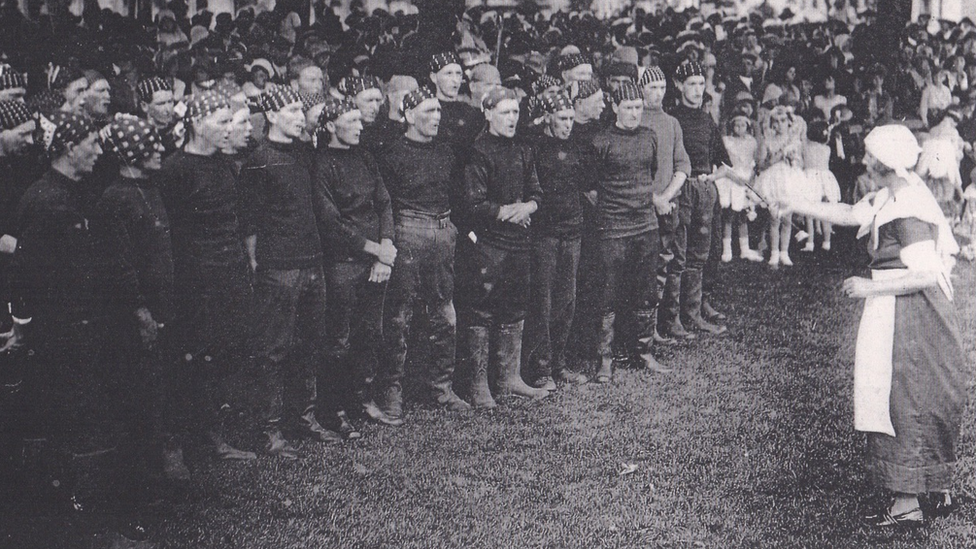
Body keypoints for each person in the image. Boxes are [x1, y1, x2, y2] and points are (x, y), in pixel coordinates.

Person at [788, 124, 967, 528]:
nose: (863, 160)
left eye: (869, 155)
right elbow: (853, 214)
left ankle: (908, 502)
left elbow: (923, 273)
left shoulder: (907, 208)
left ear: (883, 162)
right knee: (907, 396)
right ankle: (930, 490)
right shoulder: (894, 191)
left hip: (911, 314)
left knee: (902, 398)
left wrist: (870, 285)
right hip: (898, 307)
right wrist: (795, 205)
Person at [156, 91, 258, 462]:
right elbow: (170, 232)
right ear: (198, 124)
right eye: (221, 122)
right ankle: (175, 443)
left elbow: (237, 219)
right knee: (188, 358)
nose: (229, 129)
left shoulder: (225, 165)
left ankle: (211, 434)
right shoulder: (174, 170)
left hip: (228, 272)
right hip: (195, 280)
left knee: (220, 354)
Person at [240, 86, 340, 461]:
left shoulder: (303, 152)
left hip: (312, 261)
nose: (301, 116)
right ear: (271, 116)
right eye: (293, 110)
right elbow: (249, 221)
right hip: (279, 267)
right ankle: (268, 430)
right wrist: (256, 264)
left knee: (309, 343)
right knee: (274, 349)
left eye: (302, 110)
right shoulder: (259, 160)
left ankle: (304, 417)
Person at [95, 116, 183, 528]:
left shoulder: (150, 189)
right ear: (132, 155)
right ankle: (140, 491)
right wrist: (142, 313)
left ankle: (156, 482)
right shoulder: (116, 199)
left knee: (158, 398)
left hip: (161, 313)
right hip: (134, 322)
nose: (161, 153)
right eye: (153, 148)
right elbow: (121, 267)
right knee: (138, 405)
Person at [377, 87, 471, 412]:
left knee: (445, 312)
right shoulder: (391, 153)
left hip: (443, 231)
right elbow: (384, 203)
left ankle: (442, 388)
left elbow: (457, 193)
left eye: (438, 111)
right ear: (408, 115)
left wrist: (454, 229)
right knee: (399, 315)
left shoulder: (446, 152)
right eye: (428, 112)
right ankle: (392, 391)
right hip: (408, 232)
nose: (436, 117)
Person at [456, 87, 548, 408]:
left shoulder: (523, 149)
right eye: (505, 112)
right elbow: (473, 203)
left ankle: (509, 379)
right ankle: (478, 385)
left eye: (515, 112)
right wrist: (512, 212)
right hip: (487, 246)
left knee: (514, 307)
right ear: (488, 113)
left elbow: (537, 192)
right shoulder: (477, 152)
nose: (512, 119)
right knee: (481, 310)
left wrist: (529, 208)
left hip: (518, 245)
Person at [312, 97, 396, 433]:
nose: (361, 126)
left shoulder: (365, 157)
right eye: (352, 121)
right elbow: (331, 222)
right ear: (331, 126)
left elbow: (385, 203)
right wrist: (374, 249)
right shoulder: (321, 165)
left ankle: (362, 399)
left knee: (370, 333)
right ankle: (334, 411)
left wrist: (386, 245)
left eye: (361, 121)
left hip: (375, 261)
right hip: (343, 264)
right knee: (339, 339)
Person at [590, 81, 670, 383]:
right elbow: (592, 187)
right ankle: (606, 359)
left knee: (646, 291)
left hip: (646, 226)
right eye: (628, 108)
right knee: (608, 295)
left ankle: (644, 352)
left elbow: (648, 177)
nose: (634, 113)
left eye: (638, 107)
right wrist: (614, 212)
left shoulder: (649, 137)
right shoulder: (601, 142)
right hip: (613, 228)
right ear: (615, 108)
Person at [521, 89, 590, 390]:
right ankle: (540, 369)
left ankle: (559, 364)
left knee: (567, 301)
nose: (567, 124)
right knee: (542, 302)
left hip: (572, 231)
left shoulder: (576, 147)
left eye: (571, 118)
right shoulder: (534, 147)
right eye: (562, 118)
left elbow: (586, 185)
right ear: (547, 118)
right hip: (544, 235)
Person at [663, 62, 730, 338]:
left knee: (699, 255)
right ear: (678, 85)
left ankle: (693, 315)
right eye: (691, 83)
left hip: (703, 191)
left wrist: (712, 180)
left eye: (701, 84)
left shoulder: (707, 119)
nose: (697, 89)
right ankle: (671, 319)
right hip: (680, 190)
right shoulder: (672, 119)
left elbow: (724, 162)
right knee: (677, 255)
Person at [754, 105, 812, 268]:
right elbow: (764, 163)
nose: (779, 124)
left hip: (789, 180)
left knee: (787, 218)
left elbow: (800, 161)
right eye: (776, 122)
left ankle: (784, 252)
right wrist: (777, 156)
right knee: (774, 218)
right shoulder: (769, 140)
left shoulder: (795, 141)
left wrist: (794, 159)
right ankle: (774, 253)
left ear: (789, 122)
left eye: (783, 121)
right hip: (774, 180)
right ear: (772, 124)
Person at [715, 109, 763, 262]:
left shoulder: (751, 142)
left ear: (748, 127)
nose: (740, 128)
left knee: (743, 216)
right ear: (732, 126)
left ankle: (745, 249)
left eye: (743, 125)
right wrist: (734, 177)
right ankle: (727, 249)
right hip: (731, 179)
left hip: (745, 179)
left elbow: (752, 163)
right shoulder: (727, 141)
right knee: (729, 215)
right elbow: (724, 163)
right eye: (737, 125)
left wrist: (750, 179)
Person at [801, 120, 842, 252]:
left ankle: (810, 242)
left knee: (809, 213)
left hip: (810, 179)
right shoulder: (827, 149)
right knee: (825, 212)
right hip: (825, 180)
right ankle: (827, 242)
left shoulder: (805, 147)